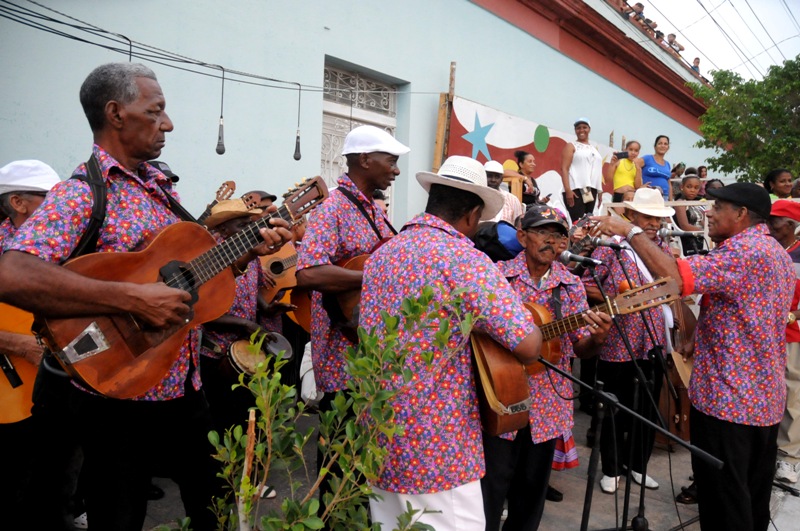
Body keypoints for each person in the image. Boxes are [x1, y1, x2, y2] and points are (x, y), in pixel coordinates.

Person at [0, 62, 291, 531]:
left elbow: (183, 279)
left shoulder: (158, 191)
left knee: (213, 510)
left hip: (182, 384)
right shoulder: (81, 194)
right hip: (120, 395)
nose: (168, 124)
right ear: (116, 114)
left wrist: (242, 253)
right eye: (155, 112)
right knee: (119, 516)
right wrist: (134, 300)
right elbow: (12, 274)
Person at [592, 182, 794, 531]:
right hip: (762, 402)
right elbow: (747, 312)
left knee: (724, 505)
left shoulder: (743, 252)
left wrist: (630, 230)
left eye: (718, 207)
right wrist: (697, 334)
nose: (709, 213)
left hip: (729, 404)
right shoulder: (773, 251)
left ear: (741, 214)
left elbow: (674, 275)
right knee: (751, 500)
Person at [360, 155, 543, 530]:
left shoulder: (382, 255)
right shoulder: (465, 260)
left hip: (379, 431)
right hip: (438, 445)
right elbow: (528, 345)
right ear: (473, 215)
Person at [295, 124, 410, 515]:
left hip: (370, 358)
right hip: (346, 363)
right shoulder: (334, 209)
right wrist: (375, 276)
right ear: (365, 159)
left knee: (366, 467)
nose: (395, 170)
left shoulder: (368, 208)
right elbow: (308, 273)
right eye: (390, 161)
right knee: (341, 469)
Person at [481, 206, 611, 530]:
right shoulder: (496, 276)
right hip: (500, 396)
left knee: (530, 495)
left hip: (547, 406)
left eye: (558, 235)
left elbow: (580, 347)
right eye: (542, 231)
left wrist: (598, 339)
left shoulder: (571, 286)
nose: (550, 241)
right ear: (522, 235)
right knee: (489, 492)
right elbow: (475, 328)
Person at [584, 188, 674, 494]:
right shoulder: (612, 247)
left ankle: (638, 465)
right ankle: (611, 467)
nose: (652, 224)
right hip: (618, 341)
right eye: (646, 217)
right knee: (613, 408)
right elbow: (587, 284)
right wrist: (616, 299)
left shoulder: (663, 250)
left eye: (656, 218)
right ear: (631, 216)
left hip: (653, 341)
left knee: (647, 409)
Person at [0, 160, 73, 530]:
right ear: (18, 202)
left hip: (57, 383)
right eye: (49, 196)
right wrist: (15, 342)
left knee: (57, 469)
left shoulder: (66, 245)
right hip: (11, 385)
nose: (60, 203)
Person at [768, 200, 800, 484]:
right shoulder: (768, 249)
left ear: (789, 225)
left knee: (792, 393)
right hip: (765, 333)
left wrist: (791, 315)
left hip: (792, 333)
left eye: (774, 221)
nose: (769, 226)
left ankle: (789, 459)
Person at [561, 118, 603, 221]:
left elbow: (596, 171)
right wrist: (568, 190)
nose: (581, 130)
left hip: (590, 190)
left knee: (587, 224)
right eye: (578, 128)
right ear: (575, 130)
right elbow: (564, 168)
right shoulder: (571, 146)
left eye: (584, 127)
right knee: (577, 223)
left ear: (589, 129)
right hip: (575, 189)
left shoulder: (593, 149)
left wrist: (599, 191)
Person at [672, 174, 706, 255]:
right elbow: (685, 226)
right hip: (691, 239)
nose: (692, 190)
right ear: (682, 187)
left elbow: (705, 222)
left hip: (703, 237)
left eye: (696, 187)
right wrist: (705, 232)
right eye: (689, 186)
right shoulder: (680, 203)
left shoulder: (699, 203)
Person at [485, 159, 524, 224]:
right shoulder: (476, 197)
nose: (493, 180)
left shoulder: (512, 200)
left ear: (501, 179)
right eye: (489, 176)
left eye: (497, 177)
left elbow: (518, 225)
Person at [640, 135, 672, 200]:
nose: (663, 146)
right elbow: (633, 166)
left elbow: (669, 183)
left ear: (668, 148)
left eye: (665, 144)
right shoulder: (647, 158)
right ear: (655, 147)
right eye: (660, 143)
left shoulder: (667, 164)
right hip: (648, 195)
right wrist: (639, 186)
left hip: (664, 197)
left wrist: (671, 201)